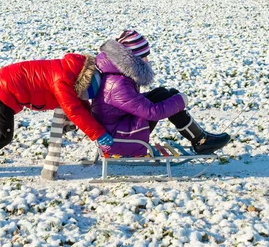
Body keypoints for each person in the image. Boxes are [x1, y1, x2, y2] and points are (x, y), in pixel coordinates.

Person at [0, 53, 114, 178]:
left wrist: (92, 117)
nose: (82, 98)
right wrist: (98, 133)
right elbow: (73, 109)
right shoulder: (62, 82)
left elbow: (77, 102)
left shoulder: (72, 71)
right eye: (84, 95)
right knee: (2, 135)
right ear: (83, 85)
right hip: (2, 90)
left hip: (1, 85)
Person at [91, 29, 231, 157]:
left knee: (162, 93)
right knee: (164, 98)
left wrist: (173, 98)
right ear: (132, 60)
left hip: (120, 127)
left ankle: (200, 138)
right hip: (119, 138)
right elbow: (152, 112)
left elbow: (132, 103)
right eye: (144, 57)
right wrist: (180, 101)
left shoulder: (116, 76)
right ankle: (201, 140)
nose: (147, 61)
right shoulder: (118, 84)